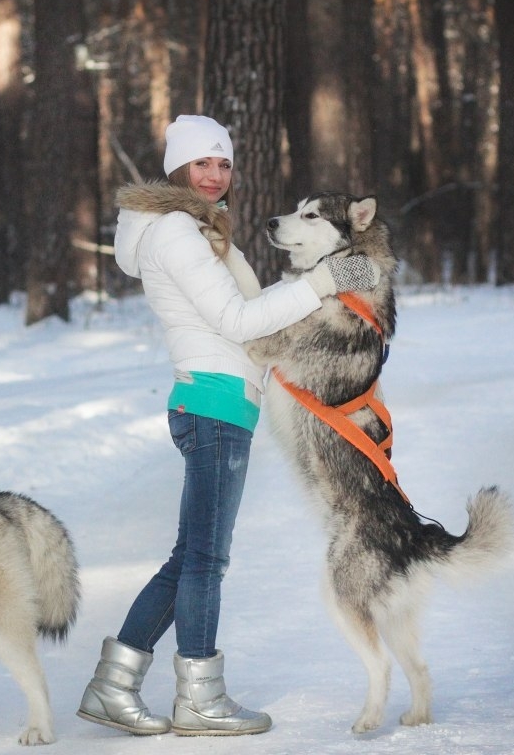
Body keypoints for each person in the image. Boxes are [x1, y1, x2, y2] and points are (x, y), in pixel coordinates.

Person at [76, 115, 379, 736]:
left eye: (223, 164)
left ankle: (113, 685)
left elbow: (249, 315)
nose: (215, 176)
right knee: (205, 561)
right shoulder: (177, 233)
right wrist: (320, 281)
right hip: (213, 405)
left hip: (218, 404)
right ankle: (199, 699)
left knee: (189, 557)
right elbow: (239, 321)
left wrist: (312, 288)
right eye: (201, 164)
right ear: (176, 170)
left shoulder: (199, 231)